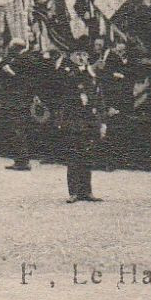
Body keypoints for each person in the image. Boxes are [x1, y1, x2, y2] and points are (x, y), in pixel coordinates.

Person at [56, 48, 106, 203]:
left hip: (89, 119)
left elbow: (99, 97)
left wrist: (102, 121)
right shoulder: (68, 73)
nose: (82, 58)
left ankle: (87, 191)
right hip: (74, 120)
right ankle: (74, 192)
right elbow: (66, 90)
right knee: (73, 155)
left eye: (84, 54)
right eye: (78, 55)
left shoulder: (92, 74)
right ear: (72, 57)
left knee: (87, 155)